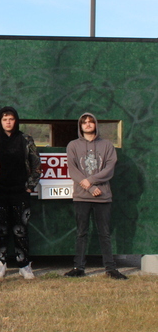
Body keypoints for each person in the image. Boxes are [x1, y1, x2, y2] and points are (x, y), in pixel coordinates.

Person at [64, 113, 127, 280]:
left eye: (91, 122)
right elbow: (73, 170)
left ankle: (110, 268)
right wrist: (91, 188)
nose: (87, 124)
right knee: (81, 233)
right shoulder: (73, 145)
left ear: (96, 124)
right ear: (80, 126)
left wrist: (90, 181)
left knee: (104, 233)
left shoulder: (107, 146)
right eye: (84, 122)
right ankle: (78, 267)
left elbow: (109, 168)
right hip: (81, 197)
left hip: (103, 196)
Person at [0, 107, 41, 280]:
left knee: (21, 229)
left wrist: (30, 186)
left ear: (16, 120)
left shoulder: (26, 139)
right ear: (0, 121)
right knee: (1, 230)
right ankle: (0, 263)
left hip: (20, 192)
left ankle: (24, 264)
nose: (8, 122)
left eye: (11, 119)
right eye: (5, 119)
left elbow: (36, 165)